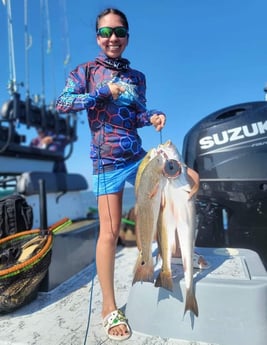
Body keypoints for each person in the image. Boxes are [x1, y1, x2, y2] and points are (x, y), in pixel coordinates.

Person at [56, 8, 166, 341]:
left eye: (118, 32)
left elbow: (136, 116)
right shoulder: (85, 71)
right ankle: (109, 307)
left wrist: (154, 117)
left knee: (172, 198)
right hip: (106, 162)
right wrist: (102, 93)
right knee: (110, 231)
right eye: (105, 33)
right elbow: (63, 103)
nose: (112, 38)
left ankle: (168, 262)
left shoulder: (137, 77)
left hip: (137, 156)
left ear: (127, 36)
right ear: (97, 38)